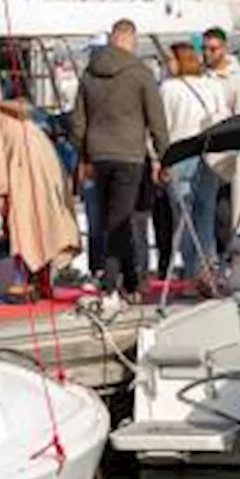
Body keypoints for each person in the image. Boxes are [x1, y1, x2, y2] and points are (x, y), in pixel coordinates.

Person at [71, 18, 170, 303]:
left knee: (112, 217)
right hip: (130, 155)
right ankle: (110, 283)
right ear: (130, 40)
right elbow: (156, 120)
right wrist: (165, 157)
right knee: (120, 219)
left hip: (99, 154)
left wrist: (84, 154)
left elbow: (78, 122)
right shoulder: (140, 73)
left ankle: (131, 279)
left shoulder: (89, 74)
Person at [0, 93, 80, 294]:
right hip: (39, 158)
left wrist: (1, 193)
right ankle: (42, 280)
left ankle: (24, 281)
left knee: (21, 222)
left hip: (25, 162)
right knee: (41, 221)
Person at [160, 42, 231, 293]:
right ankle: (209, 268)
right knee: (205, 213)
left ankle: (193, 273)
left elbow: (163, 125)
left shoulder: (168, 88)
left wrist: (159, 159)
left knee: (184, 217)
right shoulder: (213, 85)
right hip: (208, 154)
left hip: (180, 154)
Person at [202, 26, 240, 248]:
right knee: (210, 211)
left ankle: (230, 254)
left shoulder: (238, 82)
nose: (207, 54)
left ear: (223, 49)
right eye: (204, 49)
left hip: (228, 153)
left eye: (212, 49)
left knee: (226, 212)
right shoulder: (204, 77)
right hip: (206, 150)